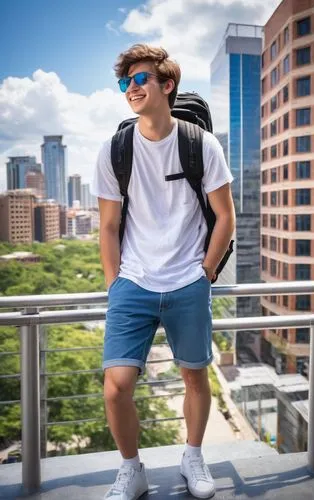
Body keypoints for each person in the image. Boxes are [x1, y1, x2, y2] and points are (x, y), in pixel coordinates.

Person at [91, 44, 235, 500]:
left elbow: (226, 216)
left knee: (194, 376)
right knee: (116, 387)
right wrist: (115, 283)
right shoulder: (115, 150)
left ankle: (193, 456)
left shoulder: (200, 144)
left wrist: (206, 272)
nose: (131, 89)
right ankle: (132, 470)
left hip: (188, 281)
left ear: (166, 84)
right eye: (124, 82)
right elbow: (109, 225)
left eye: (140, 80)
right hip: (133, 282)